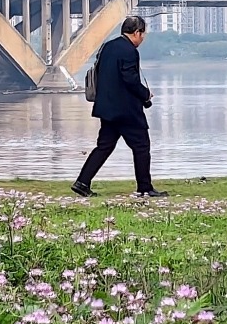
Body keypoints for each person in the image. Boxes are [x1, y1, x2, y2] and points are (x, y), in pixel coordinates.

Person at [71, 16, 168, 198]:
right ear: (137, 32)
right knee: (141, 146)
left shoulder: (107, 47)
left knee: (104, 146)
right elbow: (130, 80)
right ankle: (145, 188)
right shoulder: (129, 51)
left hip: (107, 109)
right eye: (143, 34)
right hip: (126, 111)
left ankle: (82, 182)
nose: (143, 38)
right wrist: (146, 94)